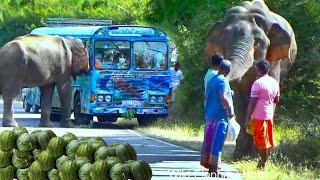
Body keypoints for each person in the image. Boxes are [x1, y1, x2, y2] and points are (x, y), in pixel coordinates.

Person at [201, 60, 234, 176]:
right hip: (220, 117)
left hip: (210, 116)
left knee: (209, 142)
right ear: (227, 70)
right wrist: (231, 111)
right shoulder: (223, 80)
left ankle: (211, 169)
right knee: (217, 143)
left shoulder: (212, 80)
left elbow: (206, 96)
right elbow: (223, 98)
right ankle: (215, 170)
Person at [245, 60, 280, 170]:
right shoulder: (274, 82)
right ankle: (262, 162)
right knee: (266, 140)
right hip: (269, 116)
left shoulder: (258, 83)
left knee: (262, 142)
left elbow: (252, 102)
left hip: (259, 117)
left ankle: (263, 164)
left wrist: (247, 119)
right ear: (268, 69)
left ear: (257, 70)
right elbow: (276, 100)